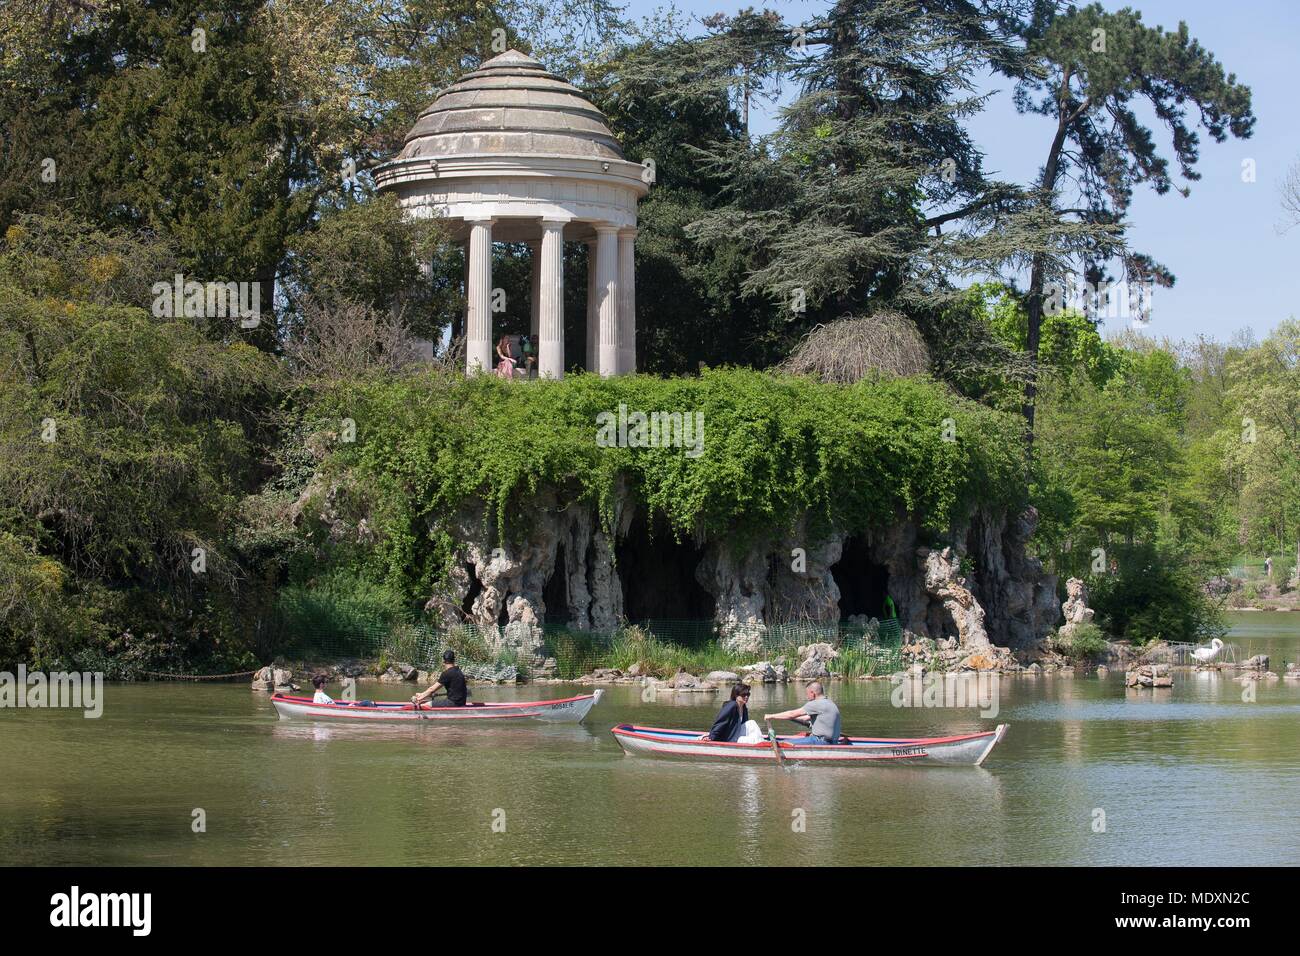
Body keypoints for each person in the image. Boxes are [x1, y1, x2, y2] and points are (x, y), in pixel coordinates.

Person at [765, 681, 842, 745]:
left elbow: (792, 714)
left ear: (812, 693)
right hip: (833, 742)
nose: (807, 696)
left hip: (820, 741)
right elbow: (804, 718)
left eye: (807, 693)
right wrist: (787, 717)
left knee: (782, 744)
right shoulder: (830, 703)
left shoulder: (815, 704)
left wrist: (771, 716)